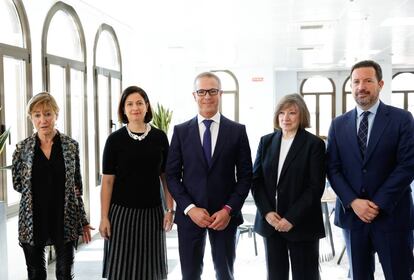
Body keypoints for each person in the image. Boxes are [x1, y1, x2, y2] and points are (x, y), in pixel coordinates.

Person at [327, 60, 414, 280]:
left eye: (368, 80)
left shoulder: (402, 119)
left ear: (380, 83)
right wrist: (354, 202)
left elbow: (407, 165)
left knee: (398, 275)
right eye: (356, 81)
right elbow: (333, 169)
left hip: (392, 214)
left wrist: (377, 204)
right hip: (353, 218)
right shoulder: (338, 124)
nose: (361, 87)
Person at [166, 72, 252, 280]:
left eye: (212, 91)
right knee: (190, 274)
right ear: (194, 95)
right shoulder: (180, 131)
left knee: (224, 273)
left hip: (224, 217)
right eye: (202, 91)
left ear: (220, 94)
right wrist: (189, 208)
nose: (207, 96)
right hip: (190, 216)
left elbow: (245, 176)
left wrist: (228, 209)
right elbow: (172, 176)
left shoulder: (237, 131)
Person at [12, 92, 93, 280]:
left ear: (56, 115)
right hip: (32, 220)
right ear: (31, 118)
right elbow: (18, 184)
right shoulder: (21, 149)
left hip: (64, 218)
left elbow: (76, 187)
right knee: (35, 274)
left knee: (65, 274)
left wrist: (84, 221)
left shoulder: (71, 146)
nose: (43, 120)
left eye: (47, 113)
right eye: (37, 115)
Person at [99, 86, 174, 280]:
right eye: (130, 104)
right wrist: (104, 217)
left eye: (140, 103)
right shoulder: (114, 141)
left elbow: (167, 178)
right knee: (121, 271)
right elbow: (107, 182)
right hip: (121, 215)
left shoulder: (160, 137)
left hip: (152, 213)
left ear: (147, 106)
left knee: (150, 270)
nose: (135, 108)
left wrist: (170, 210)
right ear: (123, 109)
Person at [251, 93, 326, 280]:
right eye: (282, 113)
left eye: (292, 113)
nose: (286, 118)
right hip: (272, 224)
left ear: (302, 116)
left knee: (306, 275)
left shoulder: (314, 144)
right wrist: (267, 212)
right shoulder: (266, 141)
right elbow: (256, 180)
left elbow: (315, 187)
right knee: (276, 275)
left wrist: (291, 218)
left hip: (302, 224)